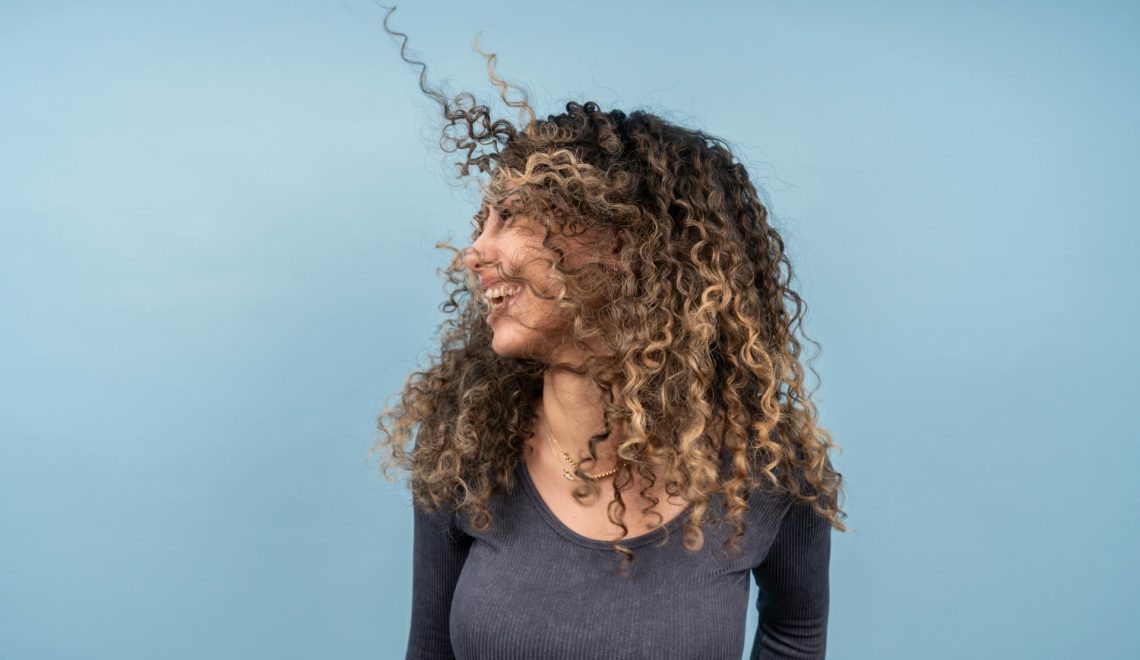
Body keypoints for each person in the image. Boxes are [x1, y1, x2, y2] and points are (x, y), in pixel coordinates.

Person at [372, 11, 847, 659]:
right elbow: (429, 650)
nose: (474, 253)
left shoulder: (768, 471)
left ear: (620, 244)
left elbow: (794, 635)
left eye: (509, 217)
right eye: (481, 221)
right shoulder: (465, 450)